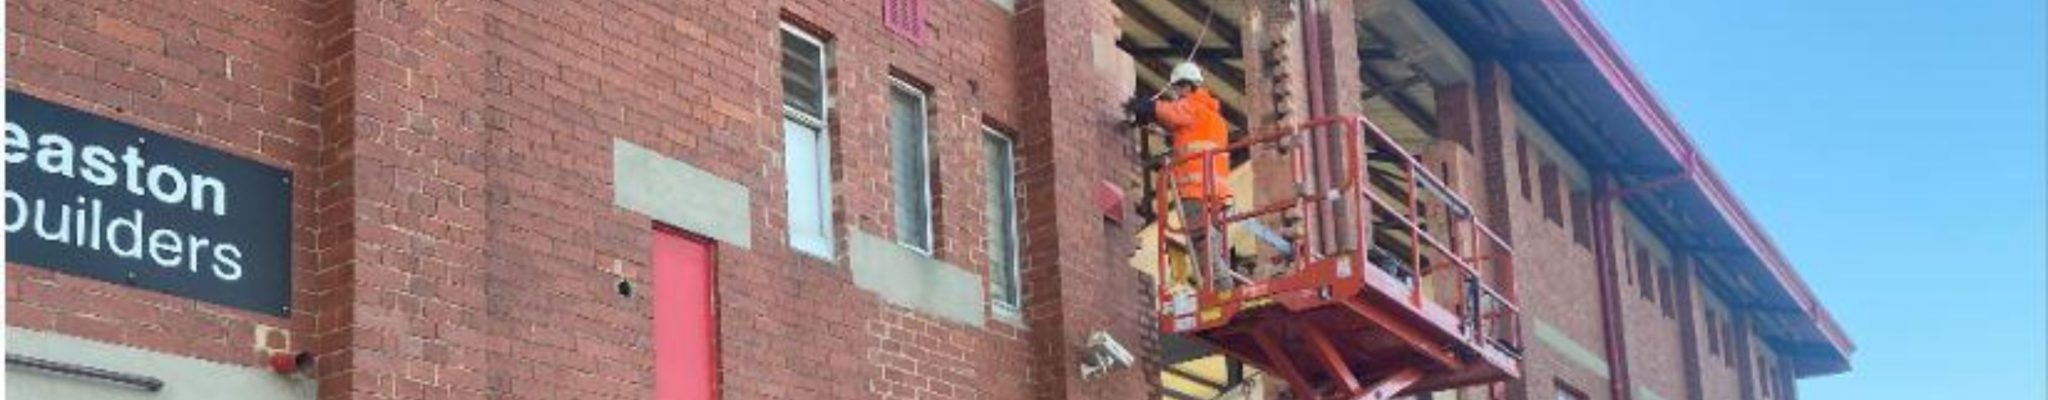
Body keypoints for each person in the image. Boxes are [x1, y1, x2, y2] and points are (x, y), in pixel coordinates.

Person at [1152, 62, 1234, 289]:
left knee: (1201, 242)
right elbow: (1188, 136)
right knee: (1211, 241)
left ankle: (1221, 290)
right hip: (1217, 194)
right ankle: (1221, 284)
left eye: (1177, 90)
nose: (1176, 96)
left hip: (1195, 191)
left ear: (1186, 87)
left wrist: (1149, 108)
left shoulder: (1191, 106)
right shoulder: (1214, 118)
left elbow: (1172, 113)